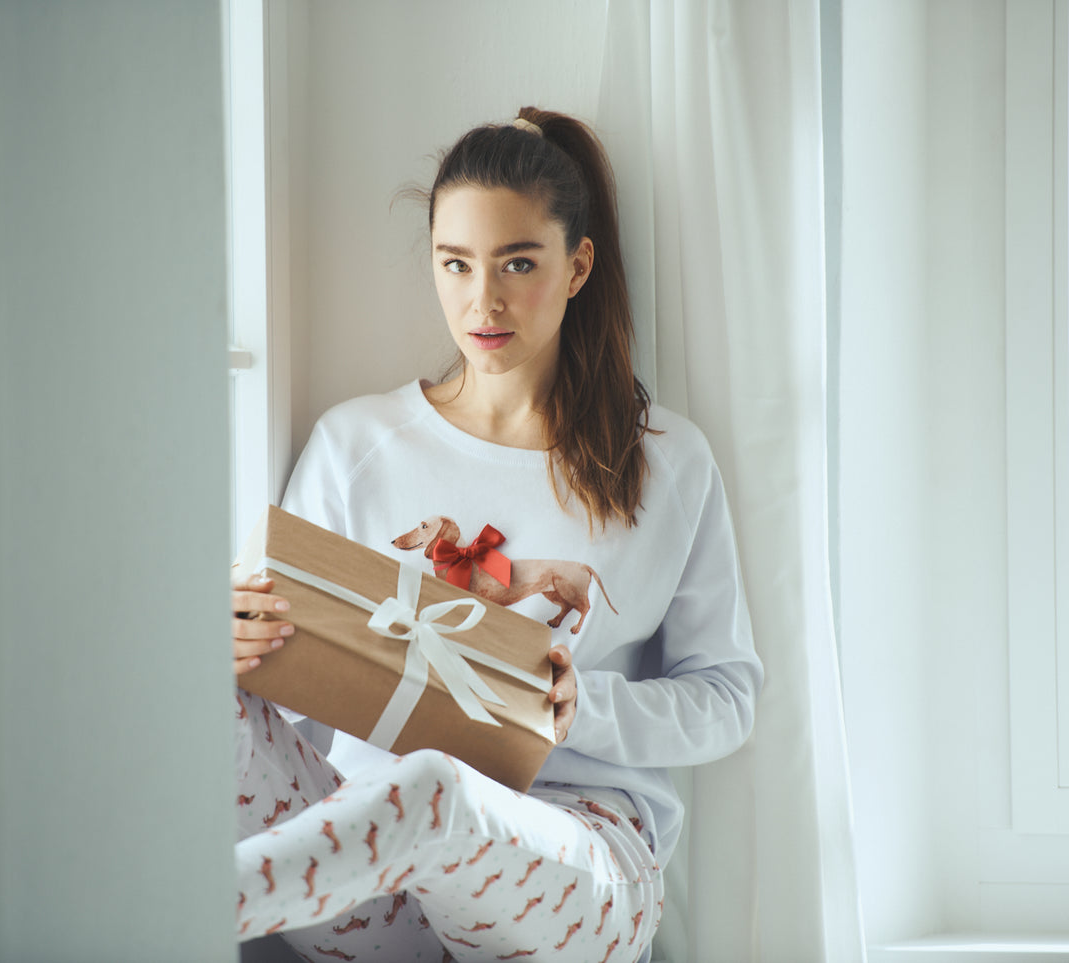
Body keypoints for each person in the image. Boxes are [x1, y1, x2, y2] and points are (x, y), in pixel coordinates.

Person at [231, 107, 762, 963]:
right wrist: (247, 643)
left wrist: (577, 708)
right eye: (456, 264)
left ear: (577, 264)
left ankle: (174, 907)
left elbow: (727, 697)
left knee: (437, 786)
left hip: (573, 866)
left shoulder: (665, 462)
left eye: (517, 263)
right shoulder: (354, 444)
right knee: (203, 695)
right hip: (367, 876)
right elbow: (290, 705)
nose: (483, 300)